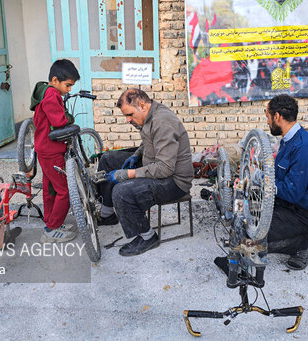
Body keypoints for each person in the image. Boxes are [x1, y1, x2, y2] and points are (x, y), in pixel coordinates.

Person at [98, 89, 193, 257]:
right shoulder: (150, 114)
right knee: (108, 159)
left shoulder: (162, 121)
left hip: (174, 181)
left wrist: (128, 174)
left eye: (129, 114)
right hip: (157, 165)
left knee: (121, 190)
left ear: (142, 105)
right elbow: (150, 141)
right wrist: (136, 155)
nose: (128, 120)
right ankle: (107, 214)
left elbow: (164, 168)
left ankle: (147, 236)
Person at [265, 94, 308, 270]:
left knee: (254, 236)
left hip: (302, 213)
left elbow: (293, 191)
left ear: (277, 117)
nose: (268, 122)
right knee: (246, 217)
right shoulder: (288, 140)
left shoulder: (303, 147)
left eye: (268, 117)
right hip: (286, 204)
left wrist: (265, 184)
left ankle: (300, 242)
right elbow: (281, 177)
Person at [29, 59, 80, 243]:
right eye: (67, 85)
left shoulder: (45, 91)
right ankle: (51, 230)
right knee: (64, 190)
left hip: (44, 147)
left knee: (50, 187)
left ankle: (51, 221)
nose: (69, 90)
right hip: (51, 150)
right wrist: (69, 117)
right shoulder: (52, 96)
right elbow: (59, 121)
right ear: (55, 80)